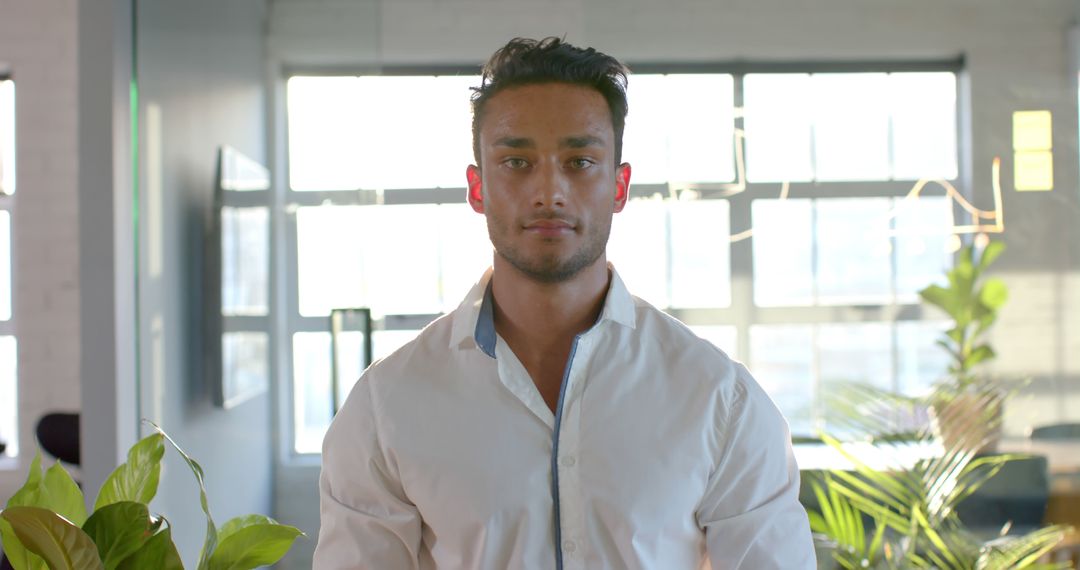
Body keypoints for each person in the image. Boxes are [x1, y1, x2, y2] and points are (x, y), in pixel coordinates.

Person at [314, 37, 815, 569]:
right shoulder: (386, 407)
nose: (549, 191)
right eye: (516, 161)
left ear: (619, 186)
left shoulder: (720, 398)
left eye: (579, 161)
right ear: (477, 187)